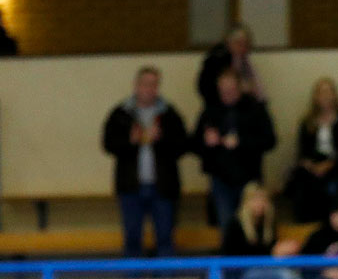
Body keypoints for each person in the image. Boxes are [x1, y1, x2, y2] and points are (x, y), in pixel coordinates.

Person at [102, 66, 189, 259]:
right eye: (145, 84)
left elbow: (184, 145)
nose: (149, 89)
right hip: (131, 186)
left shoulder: (170, 114)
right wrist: (130, 142)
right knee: (132, 238)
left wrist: (162, 139)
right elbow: (108, 144)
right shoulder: (120, 113)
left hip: (163, 187)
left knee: (165, 238)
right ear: (136, 86)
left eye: (154, 85)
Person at [193, 68, 277, 238]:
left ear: (239, 87)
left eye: (231, 89)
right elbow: (193, 144)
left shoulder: (254, 109)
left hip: (249, 177)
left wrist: (241, 142)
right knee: (227, 226)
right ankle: (230, 264)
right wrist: (206, 141)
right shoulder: (210, 111)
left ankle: (253, 263)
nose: (227, 93)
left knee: (252, 225)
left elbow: (270, 140)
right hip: (221, 179)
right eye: (223, 89)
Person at [224, 183, 311, 279]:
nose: (260, 204)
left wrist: (284, 252)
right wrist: (273, 253)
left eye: (263, 201)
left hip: (269, 275)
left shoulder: (267, 225)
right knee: (283, 277)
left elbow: (271, 255)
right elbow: (235, 260)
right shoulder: (235, 225)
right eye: (255, 200)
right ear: (246, 202)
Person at [287, 77, 338, 224]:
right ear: (315, 96)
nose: (325, 96)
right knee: (300, 177)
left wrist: (329, 164)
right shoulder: (307, 122)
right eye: (321, 92)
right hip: (314, 165)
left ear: (335, 95)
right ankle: (304, 221)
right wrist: (311, 165)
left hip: (337, 164)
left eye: (328, 91)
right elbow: (303, 151)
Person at [196, 24, 262, 106]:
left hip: (245, 107)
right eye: (240, 44)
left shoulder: (244, 60)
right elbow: (205, 87)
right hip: (219, 107)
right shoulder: (217, 59)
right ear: (230, 43)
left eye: (246, 44)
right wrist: (239, 88)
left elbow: (257, 88)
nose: (244, 48)